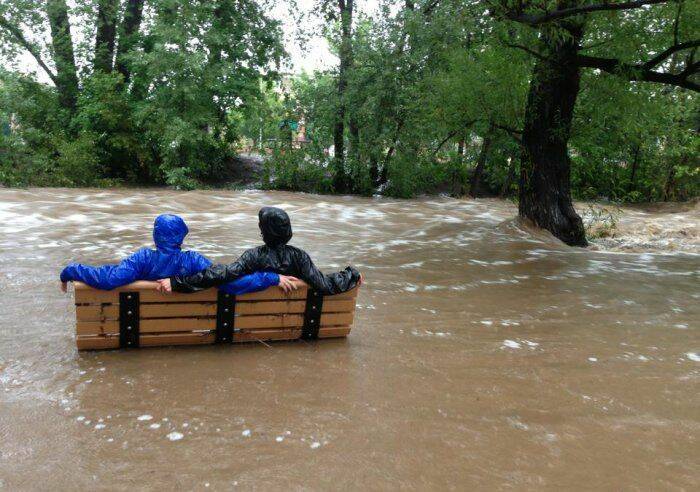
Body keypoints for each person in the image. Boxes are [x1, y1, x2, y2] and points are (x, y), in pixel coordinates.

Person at [60, 214, 300, 294]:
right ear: (181, 237)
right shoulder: (192, 261)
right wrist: (272, 277)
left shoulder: (142, 259)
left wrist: (70, 271)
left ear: (156, 235)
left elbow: (108, 279)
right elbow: (231, 283)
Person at [157, 207, 362, 295]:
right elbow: (324, 285)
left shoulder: (254, 256)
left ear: (264, 231)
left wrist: (177, 282)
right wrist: (351, 275)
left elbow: (222, 275)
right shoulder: (299, 257)